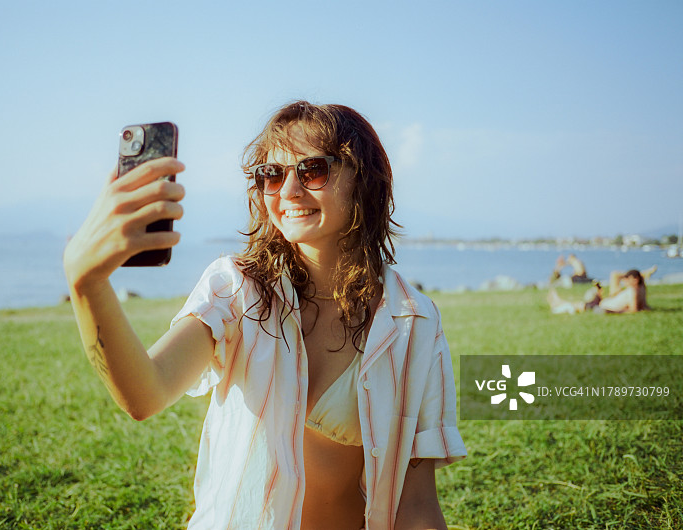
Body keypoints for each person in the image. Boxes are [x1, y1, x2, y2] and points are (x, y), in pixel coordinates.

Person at [63, 101, 466, 529]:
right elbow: (146, 394)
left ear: (365, 180)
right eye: (271, 175)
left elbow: (418, 504)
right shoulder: (236, 289)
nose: (289, 191)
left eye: (312, 170)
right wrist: (87, 284)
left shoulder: (413, 321)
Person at [547, 269, 648, 314]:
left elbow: (633, 310)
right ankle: (558, 301)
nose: (624, 280)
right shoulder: (641, 289)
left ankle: (557, 302)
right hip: (604, 304)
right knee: (582, 303)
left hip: (604, 307)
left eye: (627, 279)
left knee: (580, 305)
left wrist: (612, 312)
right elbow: (642, 307)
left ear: (635, 280)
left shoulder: (633, 291)